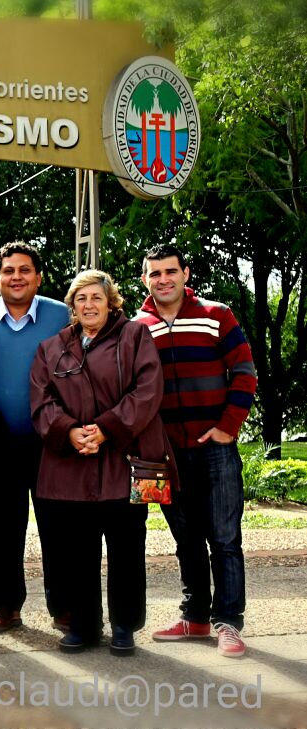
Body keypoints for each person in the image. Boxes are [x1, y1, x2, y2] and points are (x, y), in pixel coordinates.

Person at [30, 269, 175, 656]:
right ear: (72, 307)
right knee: (75, 552)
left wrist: (106, 428)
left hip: (122, 461)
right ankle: (83, 626)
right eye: (81, 299)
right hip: (69, 466)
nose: (89, 305)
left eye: (96, 297)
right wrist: (69, 431)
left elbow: (148, 390)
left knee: (127, 549)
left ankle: (125, 626)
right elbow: (41, 401)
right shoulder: (52, 347)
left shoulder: (135, 336)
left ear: (111, 302)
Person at [136, 244, 257, 658]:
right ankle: (195, 617)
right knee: (185, 539)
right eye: (155, 273)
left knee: (224, 538)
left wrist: (227, 428)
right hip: (162, 455)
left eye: (171, 271)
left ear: (186, 273)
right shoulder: (138, 326)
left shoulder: (216, 315)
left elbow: (244, 372)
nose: (163, 279)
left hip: (215, 450)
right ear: (145, 279)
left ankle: (228, 623)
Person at [0, 243, 70, 635]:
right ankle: (5, 607)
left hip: (51, 441)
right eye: (8, 271)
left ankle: (64, 608)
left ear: (38, 277)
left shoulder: (61, 315)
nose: (16, 277)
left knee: (59, 529)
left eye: (25, 270)